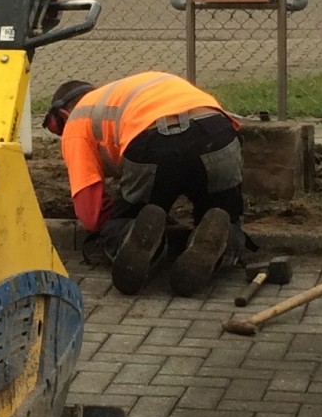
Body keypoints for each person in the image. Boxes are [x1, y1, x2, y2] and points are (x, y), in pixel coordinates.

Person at [43, 72, 252, 297]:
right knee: (223, 217)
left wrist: (119, 219)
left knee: (124, 222)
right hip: (218, 134)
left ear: (64, 114)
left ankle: (135, 238)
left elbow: (90, 214)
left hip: (154, 142)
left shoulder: (77, 120)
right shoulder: (127, 92)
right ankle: (221, 242)